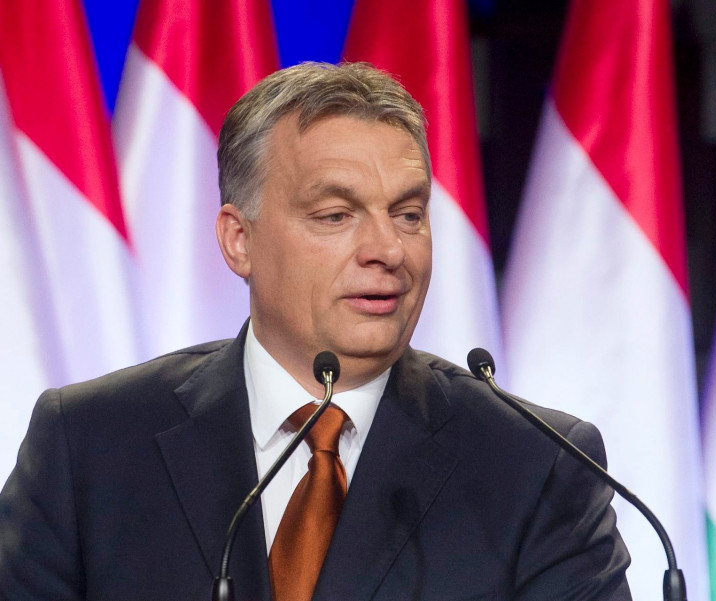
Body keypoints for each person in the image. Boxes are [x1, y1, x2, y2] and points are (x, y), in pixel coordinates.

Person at [0, 62, 631, 601]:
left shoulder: (538, 464)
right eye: (336, 215)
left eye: (409, 214)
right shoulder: (90, 443)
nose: (389, 249)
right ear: (239, 239)